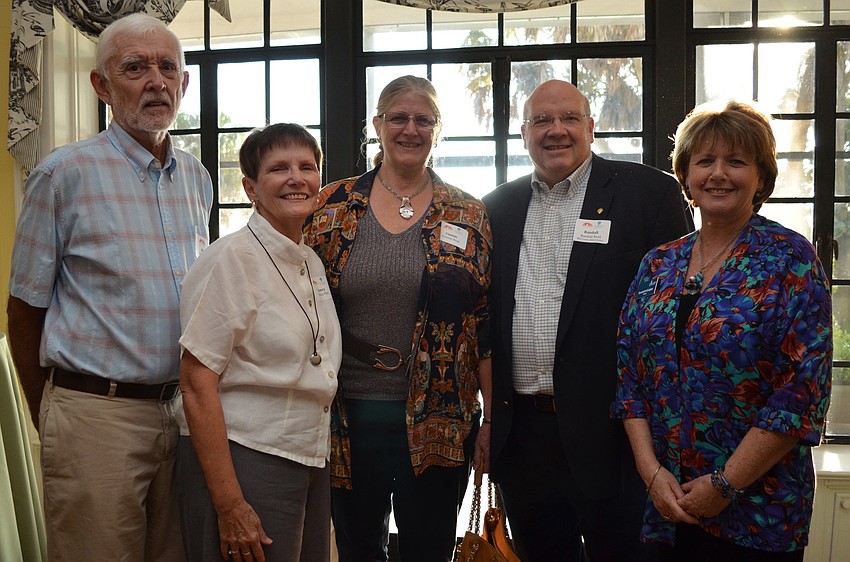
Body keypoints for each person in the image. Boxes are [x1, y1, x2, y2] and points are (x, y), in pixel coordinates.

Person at [6, 13, 212, 562]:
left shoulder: (196, 178)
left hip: (181, 412)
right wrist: (51, 412)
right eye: (135, 68)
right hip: (95, 417)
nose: (156, 82)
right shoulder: (62, 175)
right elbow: (23, 311)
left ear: (185, 83)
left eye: (168, 68)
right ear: (102, 85)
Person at [483, 79, 694, 562]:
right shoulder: (496, 208)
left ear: (591, 128)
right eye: (541, 120)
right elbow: (485, 321)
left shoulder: (649, 194)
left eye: (569, 118)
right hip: (524, 442)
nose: (555, 130)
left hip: (616, 439)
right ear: (523, 133)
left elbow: (677, 321)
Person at [612, 100, 832, 561]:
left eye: (736, 161)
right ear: (686, 176)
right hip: (666, 506)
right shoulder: (658, 263)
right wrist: (651, 473)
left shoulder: (790, 259)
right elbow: (629, 379)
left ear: (761, 177)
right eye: (705, 161)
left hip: (759, 511)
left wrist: (725, 484)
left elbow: (801, 394)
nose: (718, 174)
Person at [304, 75, 492, 562]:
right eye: (399, 118)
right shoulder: (330, 208)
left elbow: (484, 324)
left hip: (441, 419)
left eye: (424, 120)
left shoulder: (468, 214)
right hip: (347, 417)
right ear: (377, 125)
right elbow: (297, 305)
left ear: (438, 129)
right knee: (358, 549)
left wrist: (491, 418)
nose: (411, 129)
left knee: (430, 550)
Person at [176, 123, 341, 562]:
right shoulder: (231, 258)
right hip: (248, 456)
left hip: (308, 454)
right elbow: (195, 383)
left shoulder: (309, 260)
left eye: (307, 167)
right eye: (279, 168)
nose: (296, 178)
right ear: (250, 187)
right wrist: (230, 504)